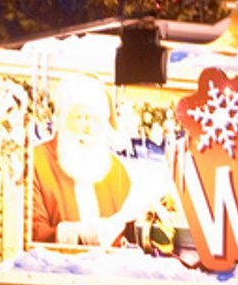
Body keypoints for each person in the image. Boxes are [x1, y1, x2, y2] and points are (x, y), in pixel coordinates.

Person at [31, 74, 153, 246]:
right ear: (64, 118)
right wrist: (80, 235)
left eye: (95, 119)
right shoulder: (36, 161)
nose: (88, 127)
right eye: (80, 117)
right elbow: (30, 231)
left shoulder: (115, 169)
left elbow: (131, 232)